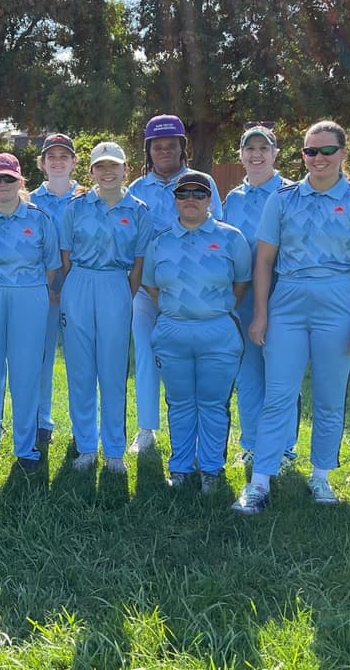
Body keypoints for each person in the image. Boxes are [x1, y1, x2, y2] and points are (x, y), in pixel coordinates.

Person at [233, 120, 350, 514]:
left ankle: (321, 476)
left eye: (327, 150)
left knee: (330, 397)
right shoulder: (282, 200)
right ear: (302, 155)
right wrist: (261, 314)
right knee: (278, 394)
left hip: (338, 300)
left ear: (343, 153)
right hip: (288, 300)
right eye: (310, 151)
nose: (318, 158)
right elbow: (264, 260)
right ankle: (260, 481)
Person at [144, 172, 251, 491]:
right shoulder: (160, 241)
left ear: (210, 200)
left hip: (218, 333)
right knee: (179, 402)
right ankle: (179, 467)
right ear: (174, 200)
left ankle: (210, 469)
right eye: (183, 194)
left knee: (213, 402)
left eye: (199, 193)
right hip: (172, 332)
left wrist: (209, 310)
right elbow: (150, 285)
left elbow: (241, 282)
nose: (190, 199)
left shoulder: (232, 238)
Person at [126, 114, 223, 454]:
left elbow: (218, 237)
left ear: (183, 148)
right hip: (146, 291)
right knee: (147, 355)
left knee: (195, 360)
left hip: (194, 295)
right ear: (148, 151)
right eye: (157, 146)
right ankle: (147, 429)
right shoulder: (136, 190)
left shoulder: (202, 181)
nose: (164, 151)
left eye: (171, 145)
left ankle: (198, 432)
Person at [0, 153, 60, 470]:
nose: (2, 184)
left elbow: (51, 268)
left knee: (26, 371)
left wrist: (26, 290)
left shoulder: (40, 218)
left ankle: (26, 448)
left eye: (9, 178)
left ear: (20, 181)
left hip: (29, 296)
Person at [59, 141, 150, 474]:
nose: (108, 172)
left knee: (112, 371)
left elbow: (139, 263)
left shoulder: (138, 210)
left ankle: (113, 450)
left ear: (126, 169)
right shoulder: (76, 207)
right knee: (81, 370)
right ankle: (86, 446)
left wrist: (123, 294)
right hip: (80, 282)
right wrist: (76, 289)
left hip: (116, 284)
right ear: (92, 171)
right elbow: (65, 256)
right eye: (101, 166)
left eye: (114, 165)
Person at [222, 123, 298, 471]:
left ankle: (283, 449)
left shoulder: (290, 193)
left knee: (282, 373)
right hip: (243, 296)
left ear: (275, 154)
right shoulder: (233, 198)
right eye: (250, 149)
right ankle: (252, 444)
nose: (256, 155)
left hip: (283, 294)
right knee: (249, 374)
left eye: (263, 149)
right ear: (241, 154)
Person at [28, 132, 82, 446]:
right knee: (41, 358)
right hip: (43, 292)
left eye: (64, 156)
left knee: (80, 360)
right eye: (52, 156)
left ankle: (82, 429)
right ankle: (41, 422)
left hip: (80, 291)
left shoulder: (88, 197)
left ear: (74, 161)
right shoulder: (31, 200)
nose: (58, 161)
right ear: (42, 163)